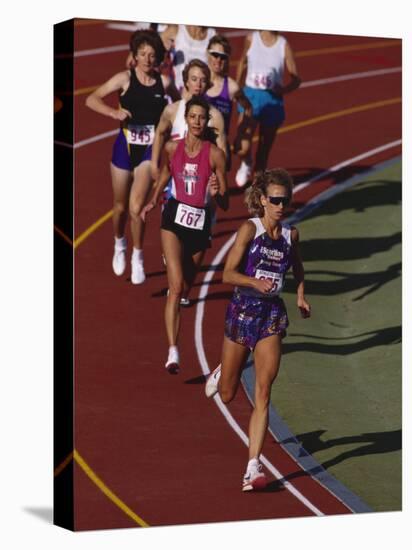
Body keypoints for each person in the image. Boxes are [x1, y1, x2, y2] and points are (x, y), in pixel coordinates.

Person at [205, 168, 311, 491]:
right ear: (263, 200)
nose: (281, 206)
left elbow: (298, 267)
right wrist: (254, 281)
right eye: (275, 200)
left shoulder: (291, 235)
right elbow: (227, 274)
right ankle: (225, 371)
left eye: (285, 200)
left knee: (264, 392)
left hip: (271, 317)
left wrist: (302, 296)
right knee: (227, 393)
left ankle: (253, 467)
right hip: (242, 311)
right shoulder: (248, 231)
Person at [141, 97, 229, 373]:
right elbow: (166, 175)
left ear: (206, 122)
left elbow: (225, 203)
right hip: (174, 219)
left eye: (202, 118)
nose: (197, 122)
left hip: (200, 224)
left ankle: (175, 268)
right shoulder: (172, 148)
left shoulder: (215, 155)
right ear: (186, 119)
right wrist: (153, 201)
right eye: (192, 117)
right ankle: (173, 351)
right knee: (176, 287)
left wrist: (217, 193)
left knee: (186, 288)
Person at [85, 30, 178, 284]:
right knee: (120, 207)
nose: (148, 59)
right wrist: (113, 113)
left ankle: (137, 256)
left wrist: (170, 129)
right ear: (134, 56)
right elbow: (91, 99)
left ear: (158, 57)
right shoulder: (124, 78)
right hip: (124, 147)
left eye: (152, 55)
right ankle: (119, 243)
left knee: (137, 208)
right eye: (143, 54)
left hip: (150, 150)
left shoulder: (165, 83)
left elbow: (180, 109)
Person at [235, 31, 301, 187]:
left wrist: (283, 90)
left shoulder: (283, 44)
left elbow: (296, 79)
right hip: (251, 95)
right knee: (241, 147)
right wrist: (236, 87)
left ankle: (256, 191)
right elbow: (242, 61)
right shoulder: (251, 38)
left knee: (263, 152)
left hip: (272, 99)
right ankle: (246, 162)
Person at [205, 34, 253, 170]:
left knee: (218, 190)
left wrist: (241, 133)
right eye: (215, 54)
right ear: (207, 54)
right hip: (197, 146)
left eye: (223, 56)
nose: (218, 60)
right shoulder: (198, 81)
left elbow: (248, 108)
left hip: (219, 148)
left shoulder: (232, 87)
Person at [160, 25, 216, 91]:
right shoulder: (176, 29)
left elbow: (214, 71)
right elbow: (156, 50)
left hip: (199, 92)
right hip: (176, 90)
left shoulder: (212, 35)